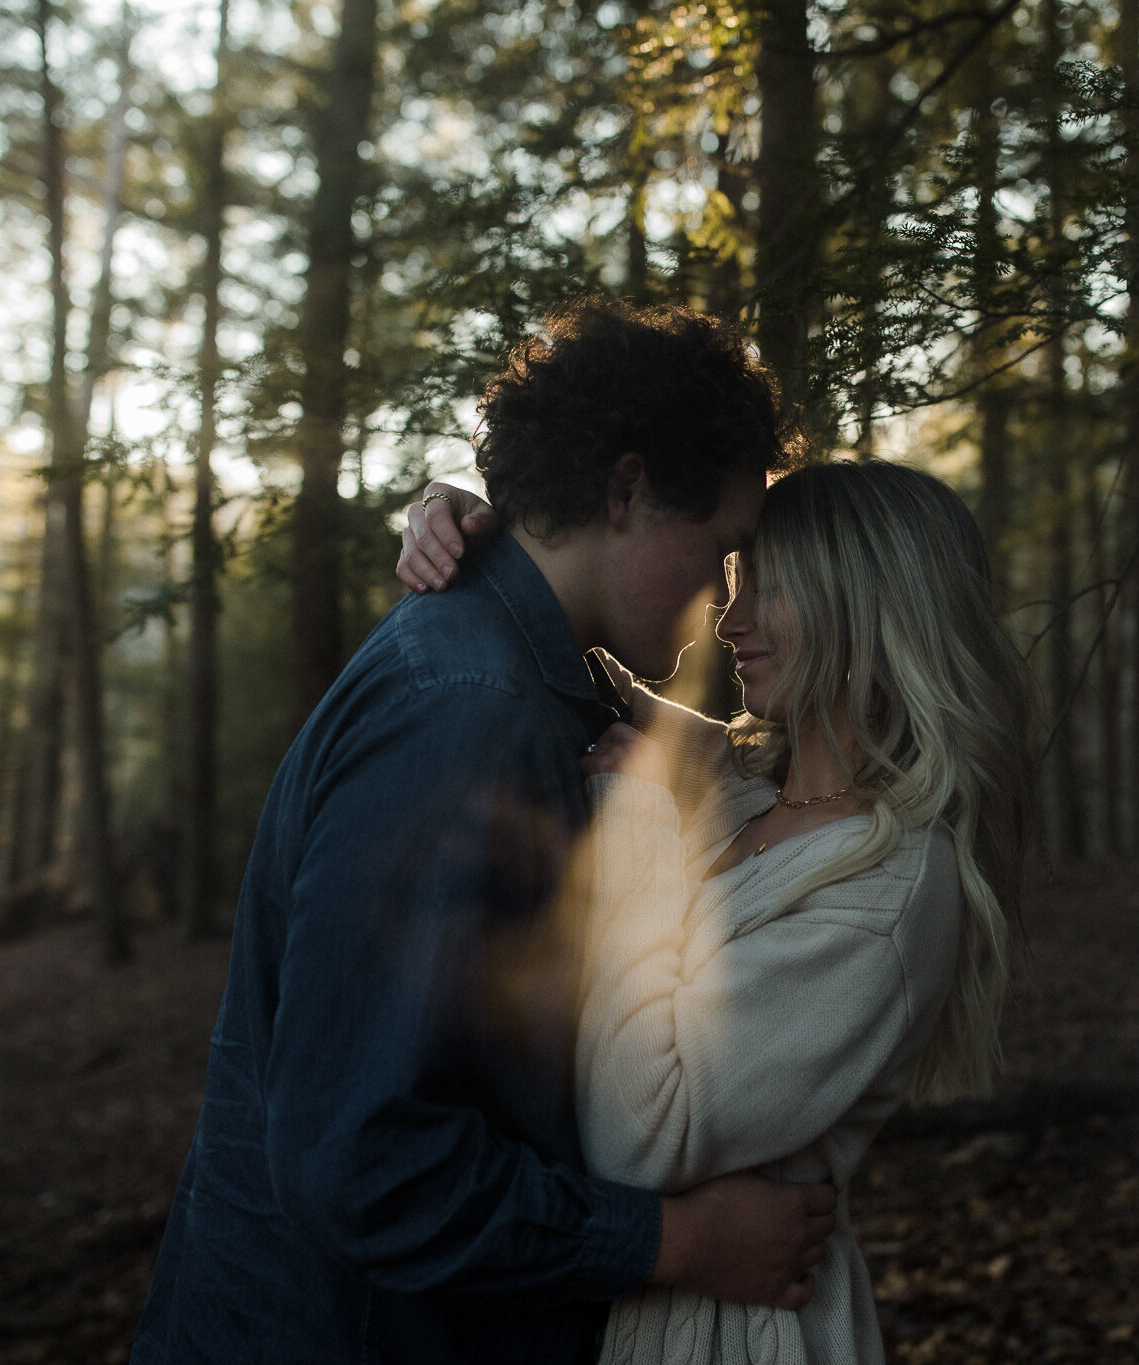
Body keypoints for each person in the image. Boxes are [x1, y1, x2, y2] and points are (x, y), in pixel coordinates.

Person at [131, 299, 837, 1365]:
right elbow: (359, 1158)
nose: (723, 594)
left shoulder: (528, 674)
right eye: (722, 548)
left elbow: (697, 753)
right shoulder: (468, 708)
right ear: (627, 487)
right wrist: (674, 1240)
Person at [400, 459, 1036, 1364]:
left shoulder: (890, 891)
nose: (728, 622)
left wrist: (645, 834)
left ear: (870, 602)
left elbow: (640, 1136)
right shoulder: (738, 783)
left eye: (767, 590)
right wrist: (460, 519)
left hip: (743, 1336)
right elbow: (565, 638)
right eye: (732, 584)